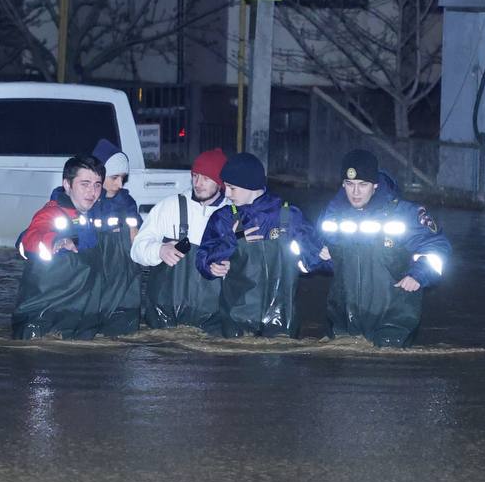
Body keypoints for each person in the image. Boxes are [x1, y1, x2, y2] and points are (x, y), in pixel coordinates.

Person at [316, 149, 451, 348]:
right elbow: (315, 251)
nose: (355, 192)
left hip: (393, 318)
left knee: (385, 369)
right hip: (343, 318)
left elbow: (438, 248)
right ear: (343, 184)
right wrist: (321, 255)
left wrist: (419, 275)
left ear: (375, 185)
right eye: (350, 184)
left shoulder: (405, 214)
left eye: (363, 185)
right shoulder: (333, 214)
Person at [195, 152, 326, 338]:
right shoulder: (223, 217)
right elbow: (202, 259)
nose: (227, 194)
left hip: (282, 321)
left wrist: (320, 256)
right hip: (236, 323)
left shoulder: (288, 215)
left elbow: (313, 261)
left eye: (232, 188)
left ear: (251, 186)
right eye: (226, 187)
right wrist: (230, 243)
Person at [11, 154, 138, 340]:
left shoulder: (91, 215)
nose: (92, 192)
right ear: (67, 185)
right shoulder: (52, 213)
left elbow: (120, 203)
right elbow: (28, 240)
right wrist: (55, 241)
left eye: (96, 185)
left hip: (78, 322)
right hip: (42, 324)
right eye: (84, 184)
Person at [131, 147, 229, 332]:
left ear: (220, 183)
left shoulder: (233, 214)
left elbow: (247, 268)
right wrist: (159, 250)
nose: (198, 183)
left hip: (211, 326)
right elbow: (137, 250)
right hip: (163, 321)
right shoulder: (169, 207)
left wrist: (229, 267)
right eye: (195, 175)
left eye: (206, 178)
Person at [90, 138, 140, 238]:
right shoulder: (84, 199)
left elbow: (141, 238)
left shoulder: (127, 202)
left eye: (123, 178)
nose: (120, 185)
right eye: (114, 177)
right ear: (99, 175)